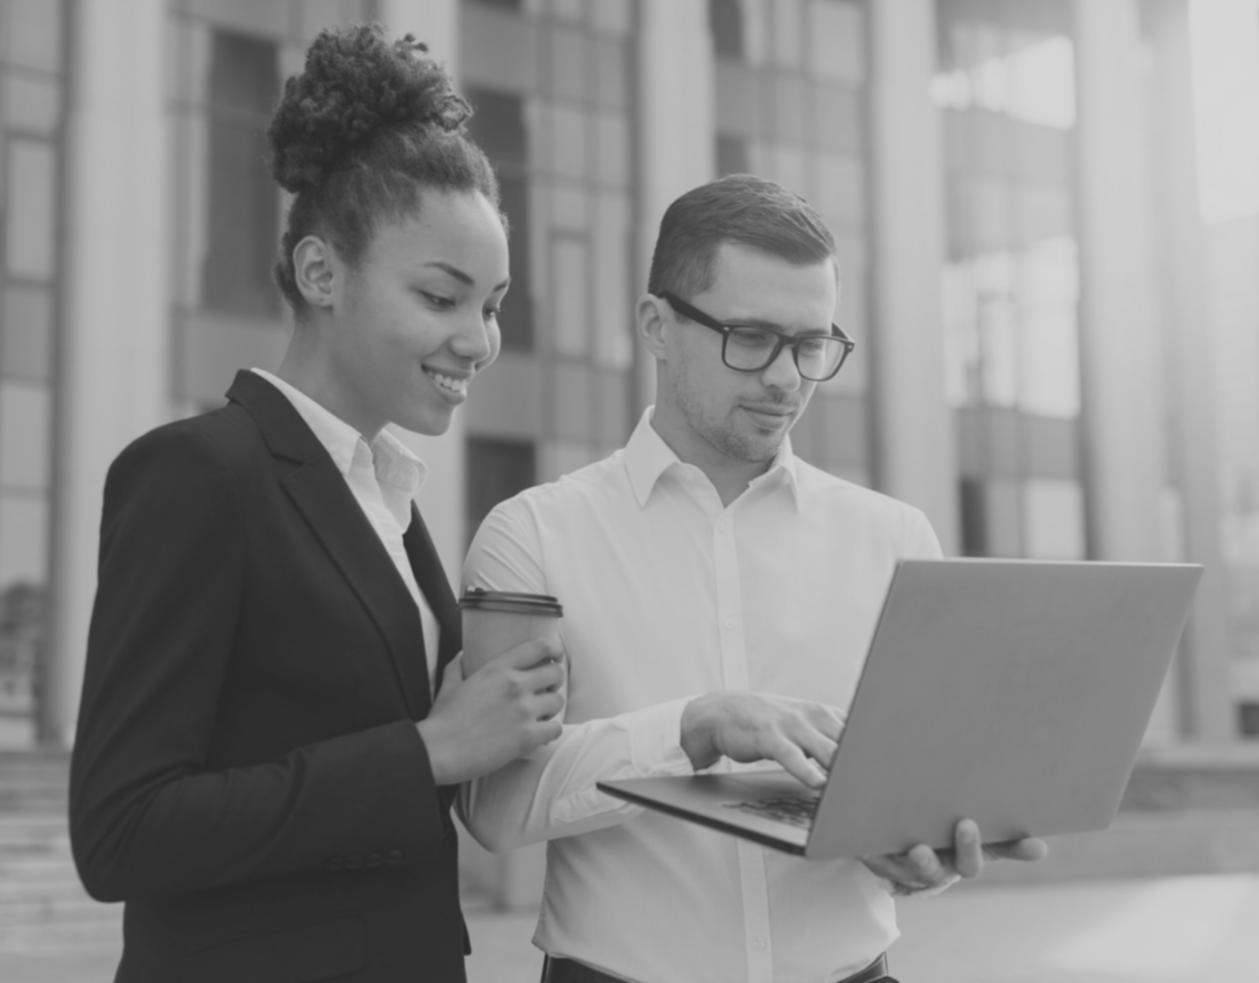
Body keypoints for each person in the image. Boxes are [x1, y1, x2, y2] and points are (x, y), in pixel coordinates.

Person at [461, 174, 1048, 983]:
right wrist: (693, 727)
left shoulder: (895, 539)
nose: (785, 378)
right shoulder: (533, 534)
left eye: (811, 344)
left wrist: (928, 852)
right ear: (656, 326)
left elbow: (918, 794)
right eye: (751, 337)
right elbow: (494, 808)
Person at [68, 24, 563, 983]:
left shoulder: (390, 502)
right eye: (441, 295)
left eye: (493, 304)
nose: (479, 340)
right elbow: (121, 831)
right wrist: (424, 750)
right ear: (320, 273)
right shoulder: (198, 475)